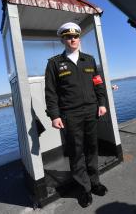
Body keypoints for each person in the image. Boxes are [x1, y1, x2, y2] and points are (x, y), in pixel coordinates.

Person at [44, 22, 108, 208]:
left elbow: (98, 83)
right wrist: (54, 116)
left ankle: (94, 182)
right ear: (63, 40)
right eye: (68, 37)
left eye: (75, 36)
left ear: (79, 38)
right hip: (70, 115)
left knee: (92, 148)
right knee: (76, 151)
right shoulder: (54, 63)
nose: (73, 39)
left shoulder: (89, 60)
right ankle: (84, 189)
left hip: (91, 111)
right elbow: (51, 92)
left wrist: (101, 103)